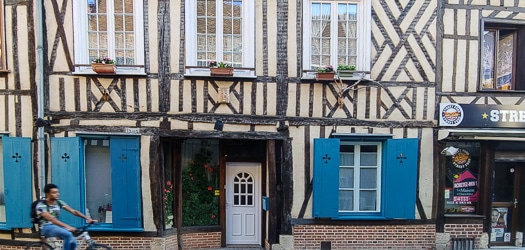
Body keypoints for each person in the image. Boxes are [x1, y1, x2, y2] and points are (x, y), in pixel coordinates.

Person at [37, 183, 96, 250]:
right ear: (47, 194)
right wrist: (67, 226)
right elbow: (52, 219)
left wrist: (87, 218)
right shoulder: (41, 205)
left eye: (57, 192)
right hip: (45, 227)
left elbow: (73, 211)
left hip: (55, 227)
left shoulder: (59, 202)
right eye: (54, 192)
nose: (57, 194)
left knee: (73, 242)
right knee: (67, 235)